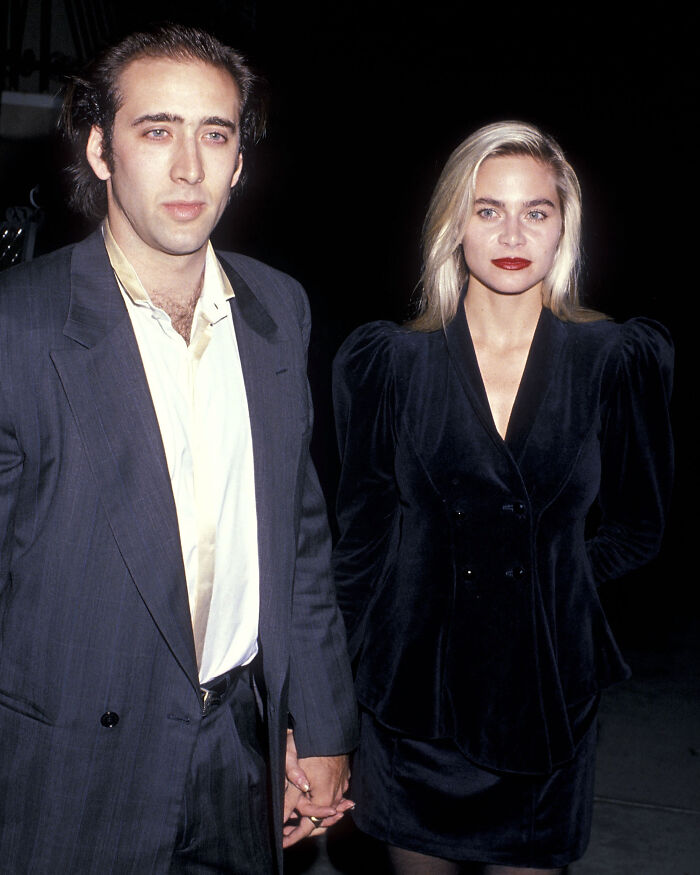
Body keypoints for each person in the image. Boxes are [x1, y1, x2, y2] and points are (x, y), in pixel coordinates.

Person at [0, 22, 357, 873]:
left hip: (239, 748)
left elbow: (298, 539)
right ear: (100, 149)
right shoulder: (21, 324)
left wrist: (322, 721)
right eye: (157, 130)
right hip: (71, 762)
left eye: (216, 134)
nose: (189, 167)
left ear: (241, 161)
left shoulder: (278, 309)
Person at [332, 121, 673, 874]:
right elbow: (359, 549)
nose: (513, 231)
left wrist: (552, 586)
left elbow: (641, 527)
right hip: (414, 704)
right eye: (488, 210)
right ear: (455, 224)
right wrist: (324, 715)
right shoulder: (391, 362)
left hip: (544, 700)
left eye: (536, 211)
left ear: (563, 229)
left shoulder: (615, 360)